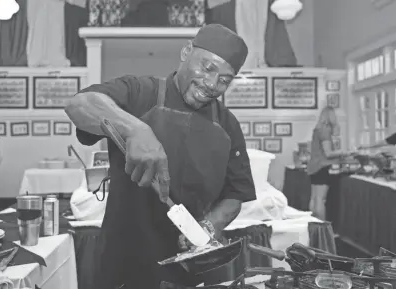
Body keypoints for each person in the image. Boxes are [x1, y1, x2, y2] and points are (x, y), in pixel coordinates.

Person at [65, 24, 256, 289]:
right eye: (207, 68)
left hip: (193, 267)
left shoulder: (227, 124)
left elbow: (236, 193)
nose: (212, 84)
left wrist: (208, 227)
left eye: (224, 79)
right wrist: (136, 129)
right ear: (186, 51)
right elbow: (78, 105)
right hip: (126, 262)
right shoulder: (139, 93)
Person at [307, 106, 350, 220]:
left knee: (314, 198)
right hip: (322, 167)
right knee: (321, 200)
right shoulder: (325, 131)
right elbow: (328, 153)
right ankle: (323, 228)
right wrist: (343, 153)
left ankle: (313, 225)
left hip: (313, 167)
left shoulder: (317, 129)